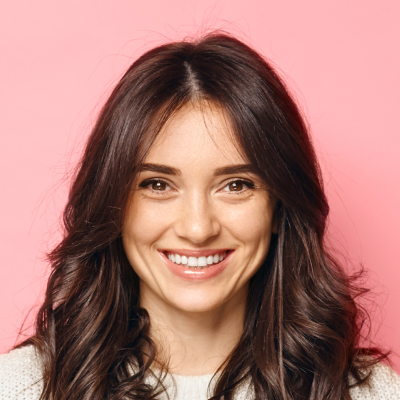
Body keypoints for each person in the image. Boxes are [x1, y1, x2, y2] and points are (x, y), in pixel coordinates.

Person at [0, 32, 399, 400]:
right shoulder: (19, 387)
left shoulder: (374, 393)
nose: (197, 228)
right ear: (112, 205)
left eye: (237, 185)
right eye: (157, 185)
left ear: (280, 206)